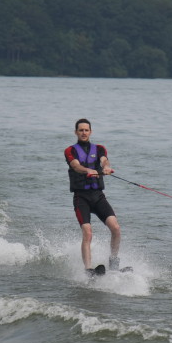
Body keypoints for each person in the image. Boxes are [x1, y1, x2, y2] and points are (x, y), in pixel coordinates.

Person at [64, 118, 122, 275]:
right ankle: (88, 270)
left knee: (116, 228)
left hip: (98, 196)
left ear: (90, 132)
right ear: (76, 132)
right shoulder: (70, 150)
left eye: (86, 130)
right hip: (81, 198)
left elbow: (104, 160)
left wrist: (107, 167)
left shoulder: (100, 148)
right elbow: (75, 165)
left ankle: (114, 264)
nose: (84, 133)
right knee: (88, 232)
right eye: (81, 130)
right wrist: (87, 170)